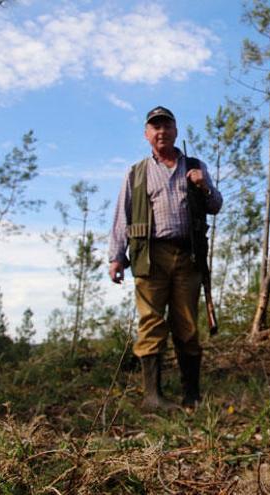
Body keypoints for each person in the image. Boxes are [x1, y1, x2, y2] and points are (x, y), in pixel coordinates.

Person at [108, 106, 223, 411]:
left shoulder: (195, 166)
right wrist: (116, 257)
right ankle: (152, 397)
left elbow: (216, 205)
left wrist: (203, 184)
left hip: (188, 256)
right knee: (150, 323)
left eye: (167, 126)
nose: (161, 132)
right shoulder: (136, 173)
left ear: (176, 131)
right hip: (150, 258)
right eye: (155, 127)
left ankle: (192, 395)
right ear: (147, 135)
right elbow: (123, 216)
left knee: (186, 324)